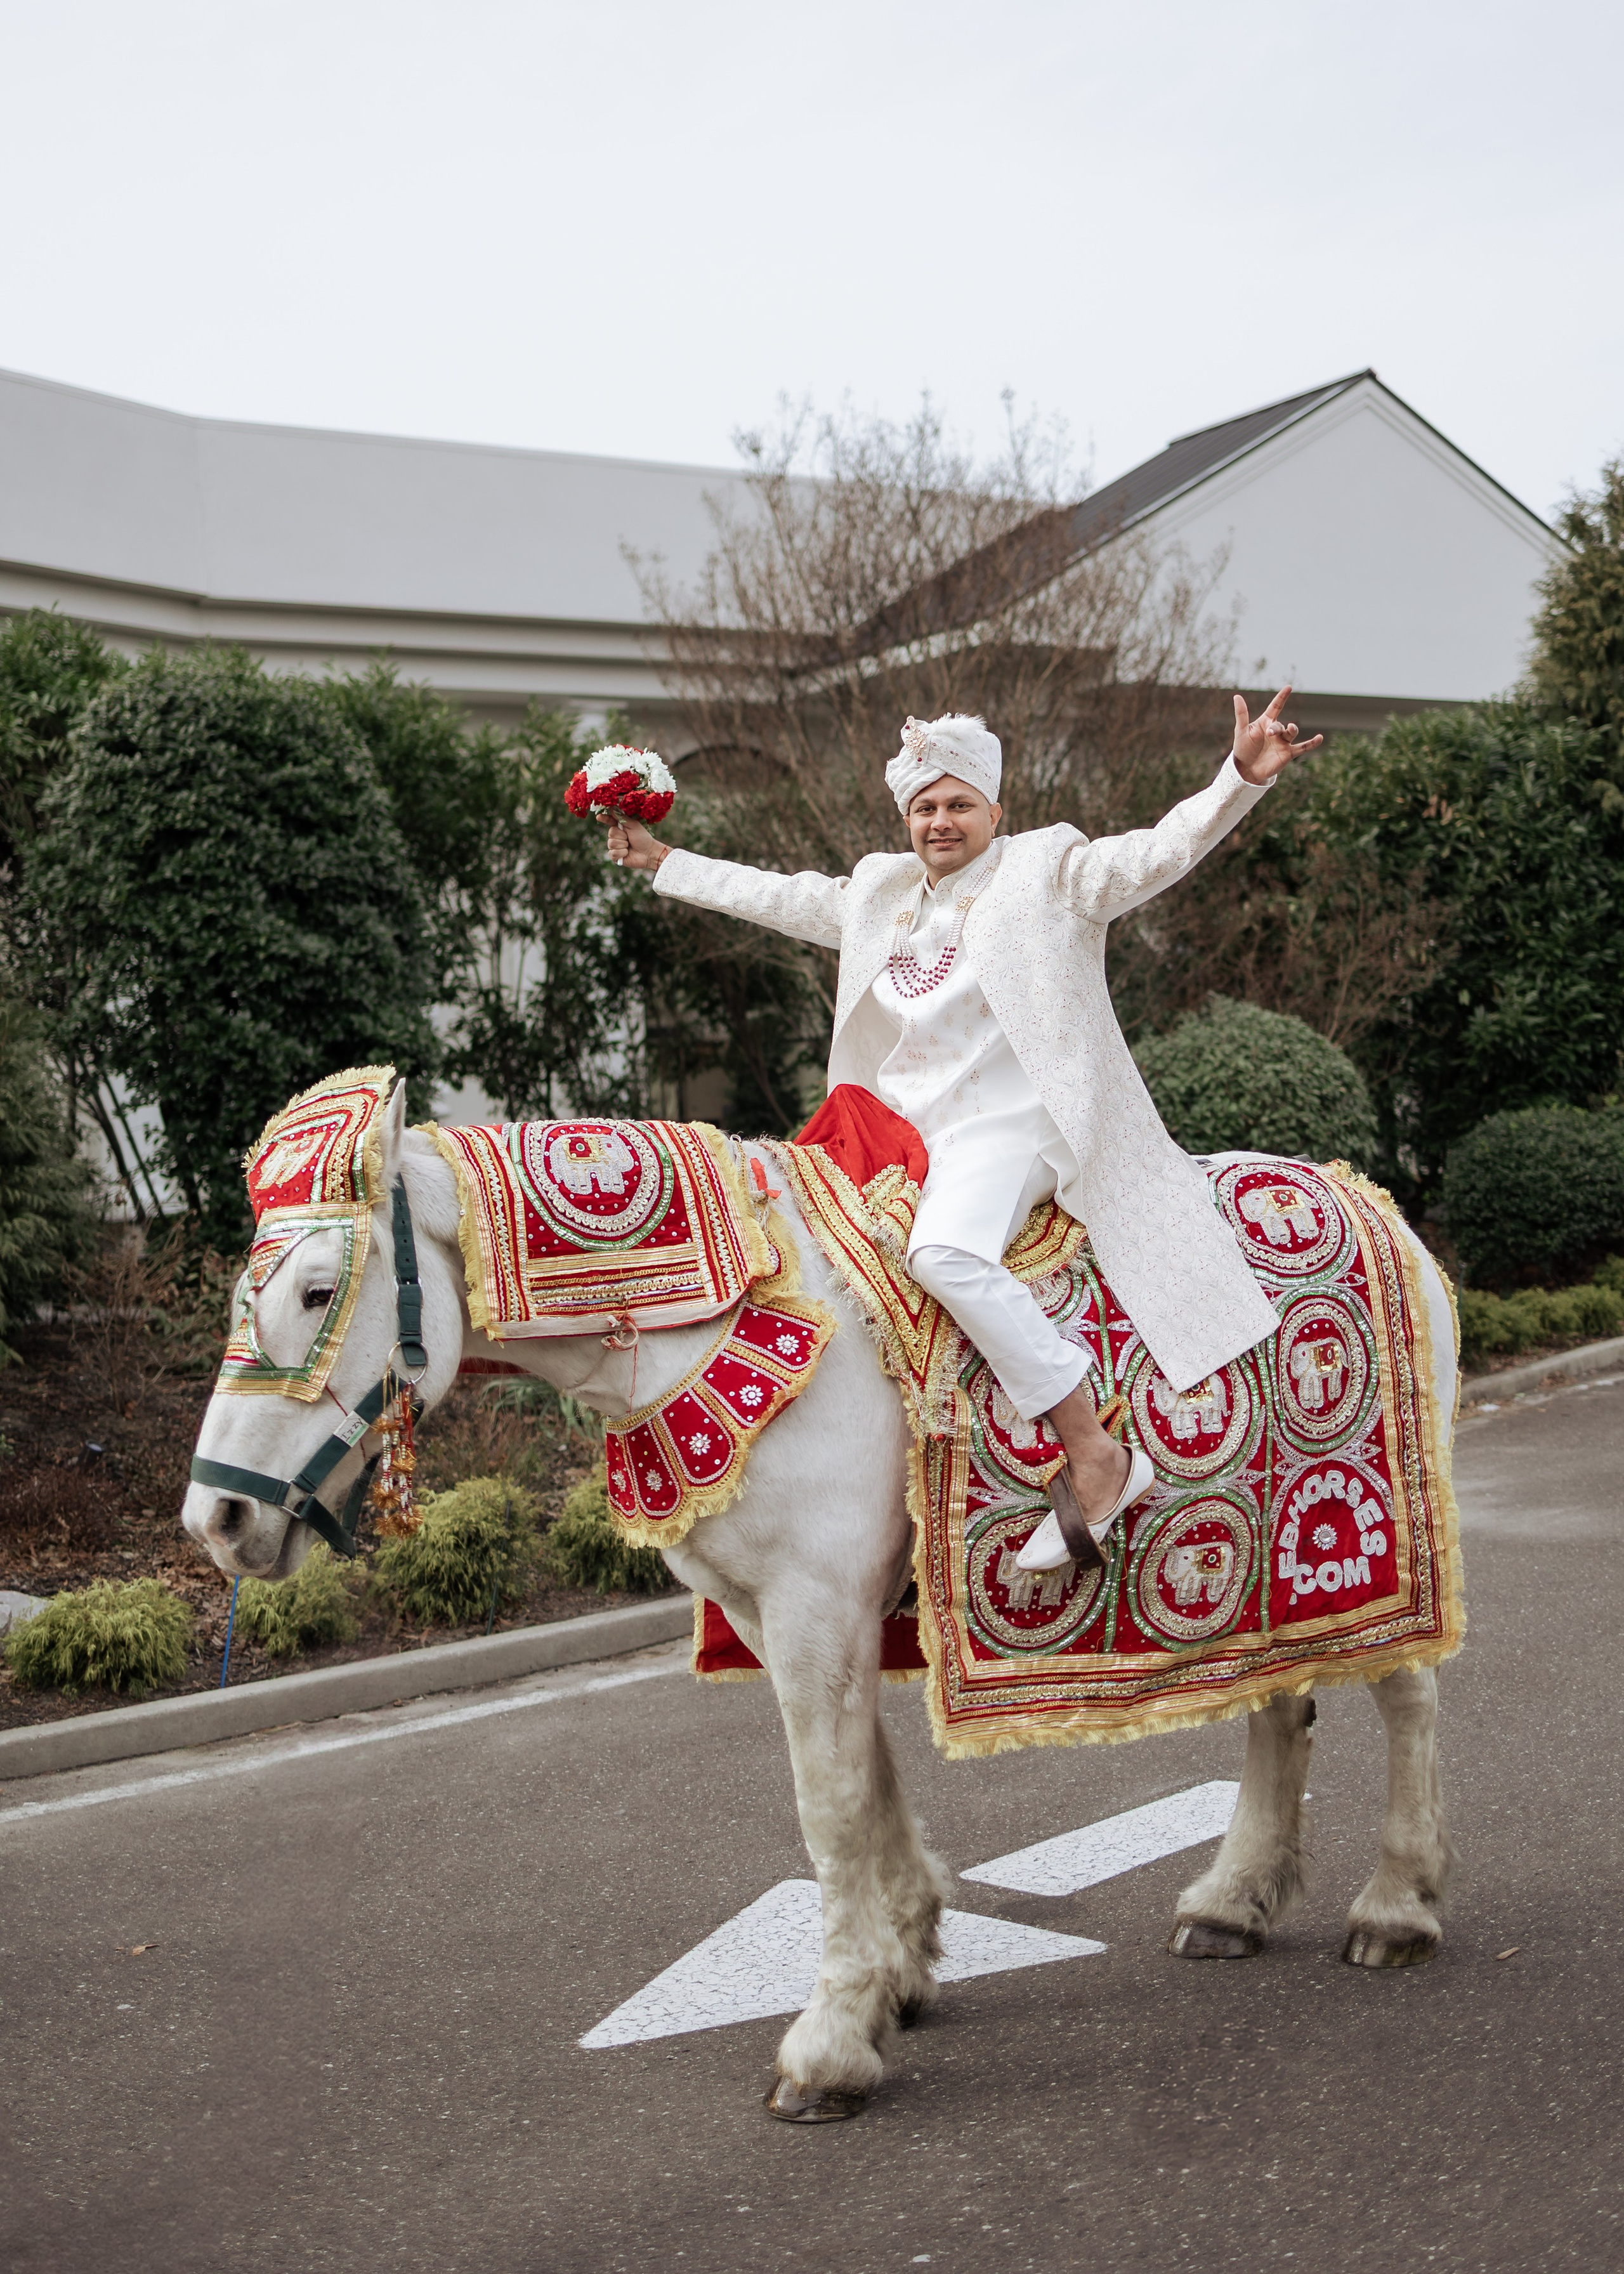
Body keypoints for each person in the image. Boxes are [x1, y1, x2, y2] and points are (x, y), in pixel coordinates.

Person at [606, 692, 1320, 1571]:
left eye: (958, 804)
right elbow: (778, 895)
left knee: (942, 1257)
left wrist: (1237, 780)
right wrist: (662, 861)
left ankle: (1094, 1452)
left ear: (996, 811)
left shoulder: (1049, 871)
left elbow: (1153, 855)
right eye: (925, 807)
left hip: (1008, 1127)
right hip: (895, 1135)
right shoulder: (882, 891)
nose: (940, 821)